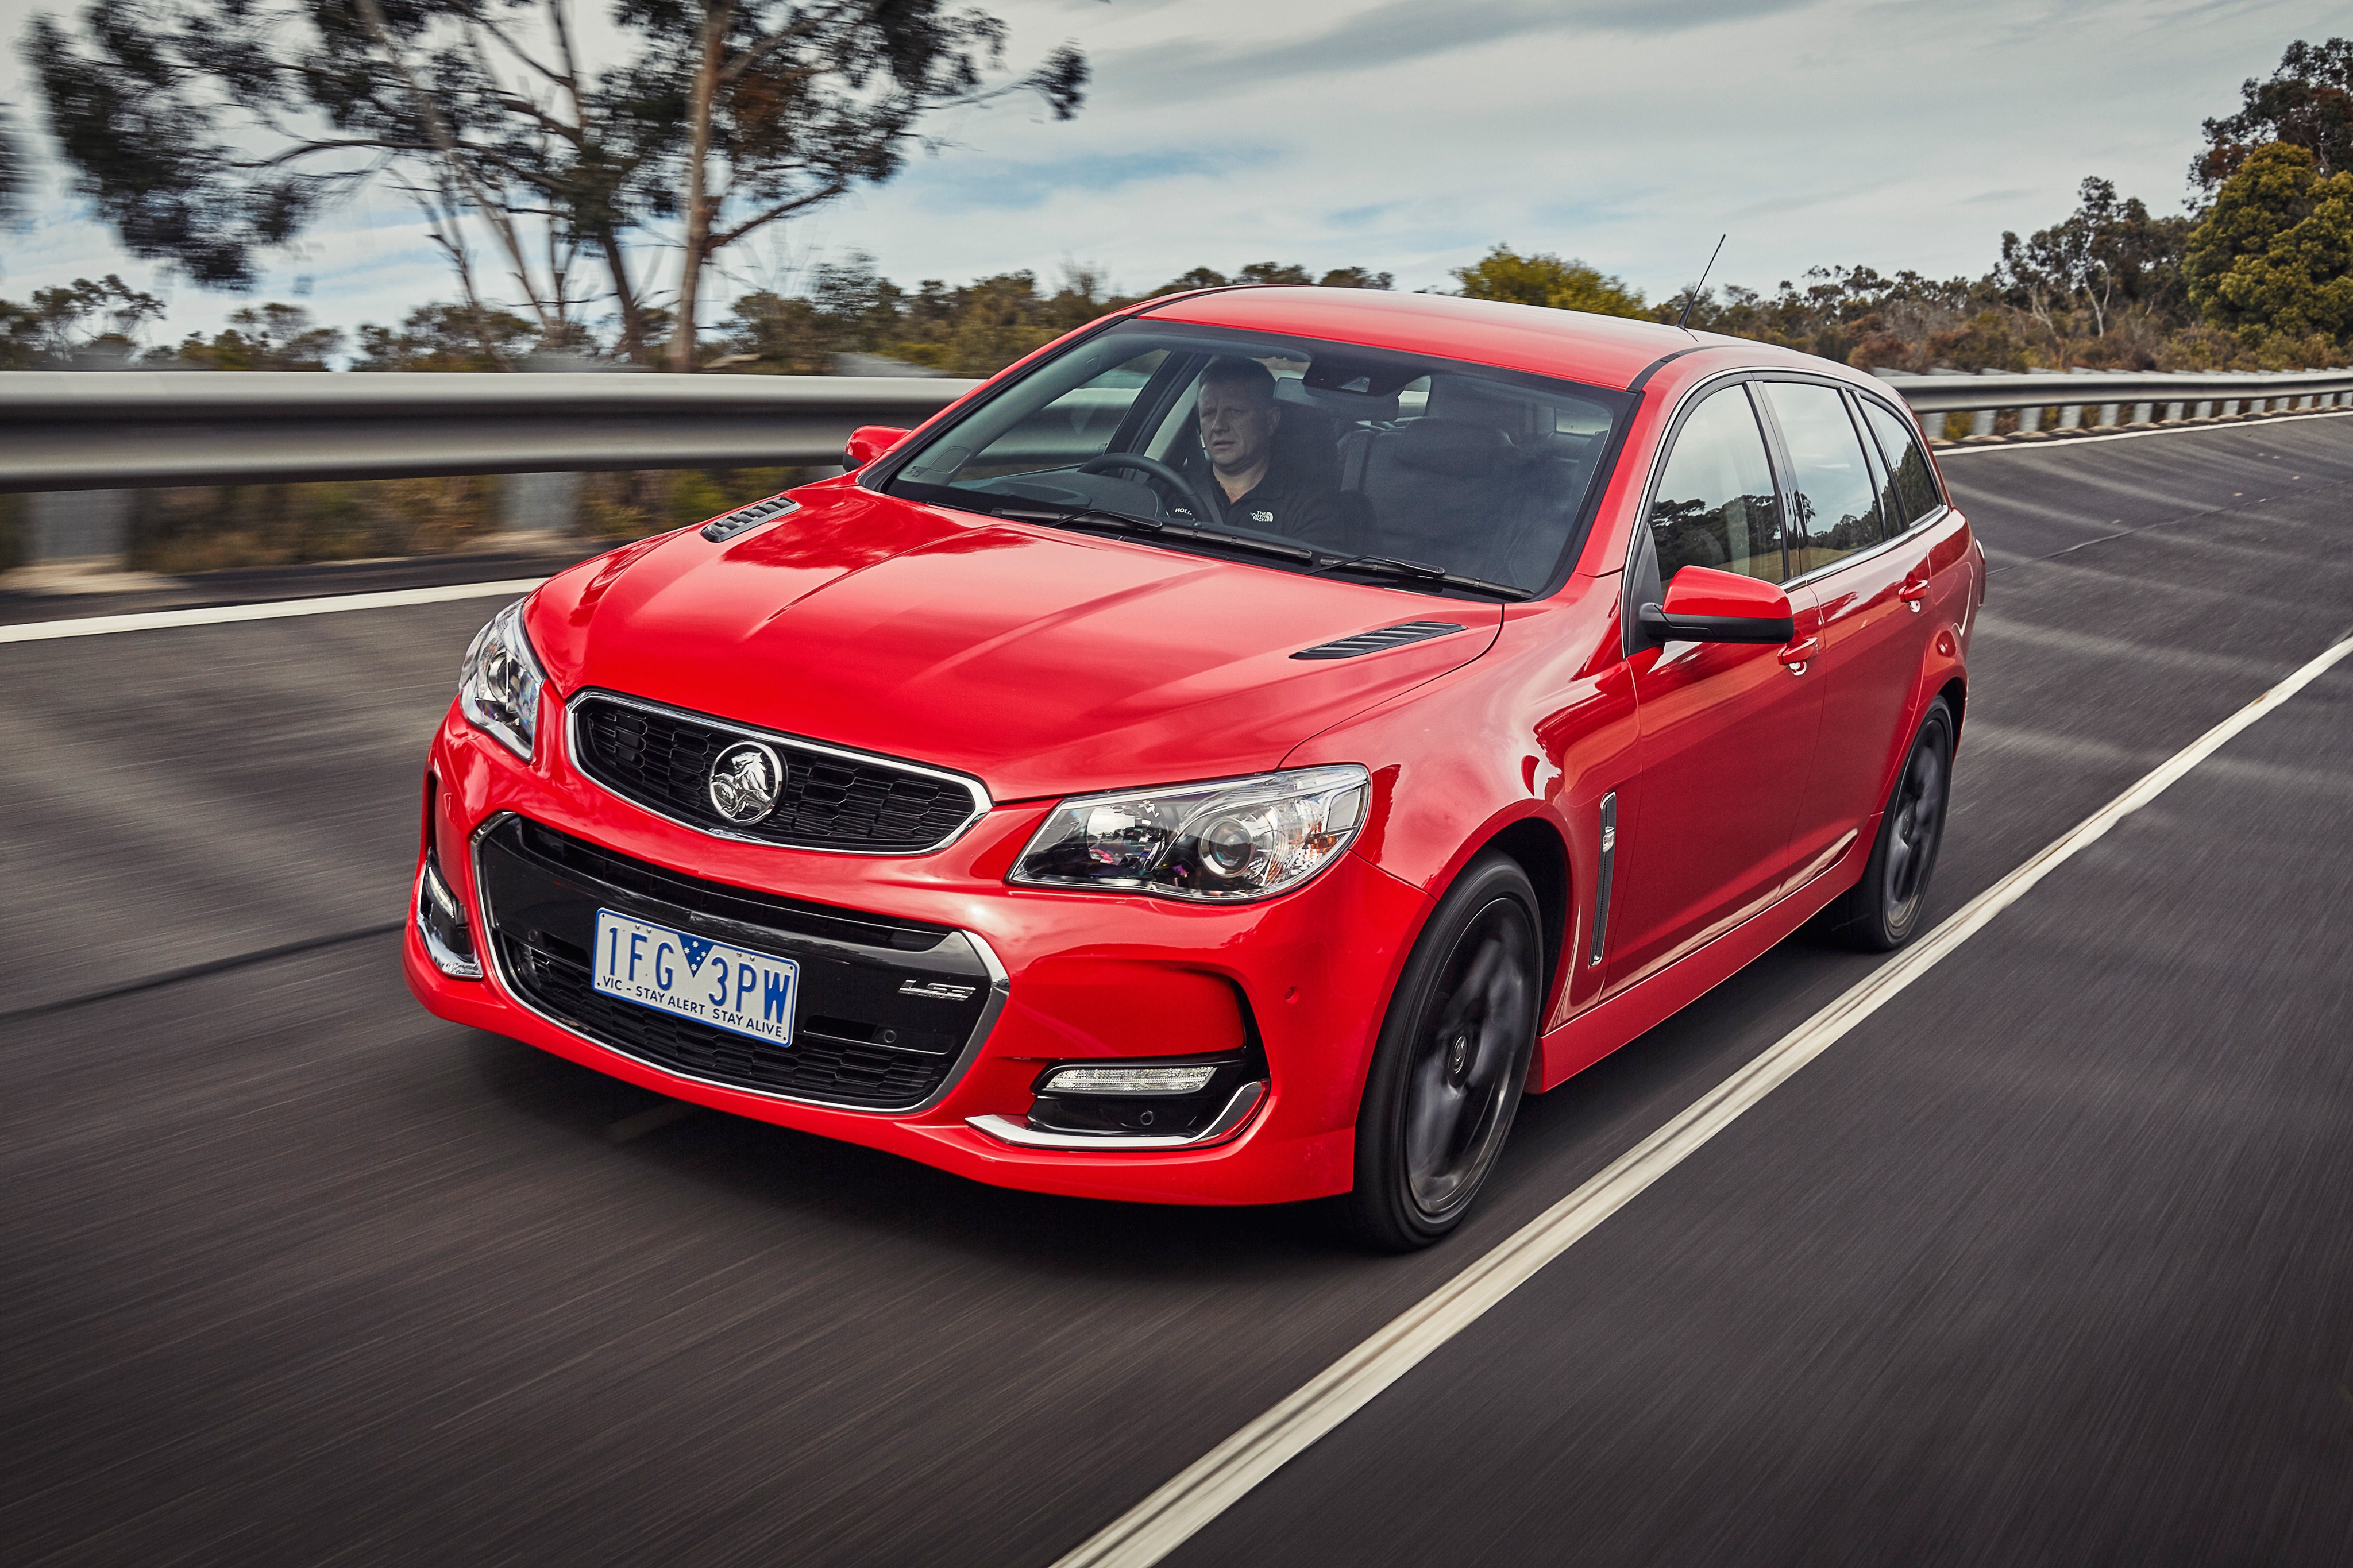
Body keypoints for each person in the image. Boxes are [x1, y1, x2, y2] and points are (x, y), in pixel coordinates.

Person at [1188, 357, 1345, 550]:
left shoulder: (1310, 508)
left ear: (1271, 421)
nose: (1218, 426)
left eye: (1234, 411)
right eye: (1208, 413)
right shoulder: (1170, 489)